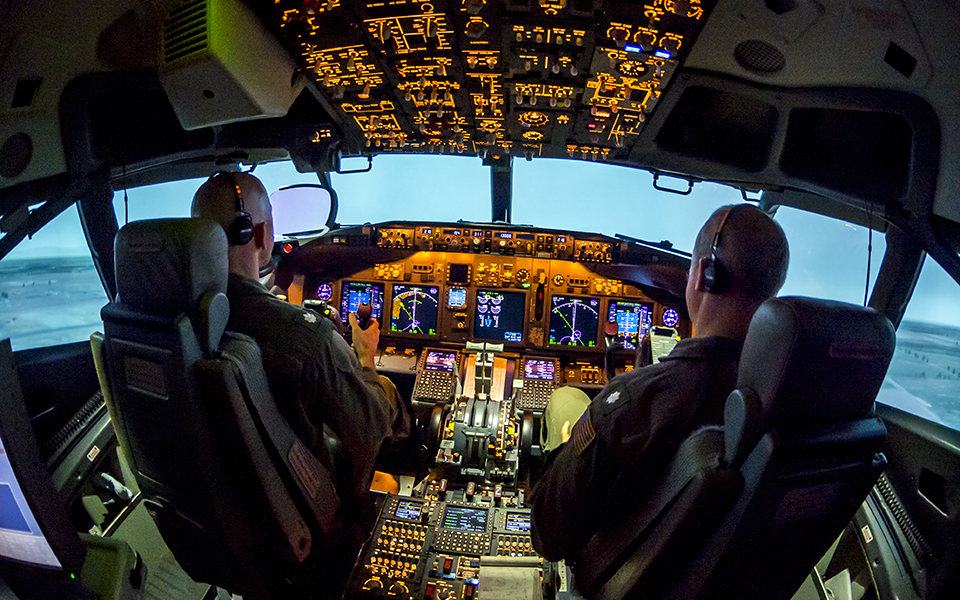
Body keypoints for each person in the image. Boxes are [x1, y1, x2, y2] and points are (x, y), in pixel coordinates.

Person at [529, 203, 789, 563]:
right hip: (691, 569)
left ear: (702, 275)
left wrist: (582, 432)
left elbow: (546, 535)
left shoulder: (631, 403)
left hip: (613, 562)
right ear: (771, 293)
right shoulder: (783, 397)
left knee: (565, 397)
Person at [190, 171, 409, 518]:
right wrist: (365, 356)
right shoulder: (306, 338)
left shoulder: (182, 325)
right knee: (384, 398)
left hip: (219, 516)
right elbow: (371, 427)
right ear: (261, 234)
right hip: (304, 518)